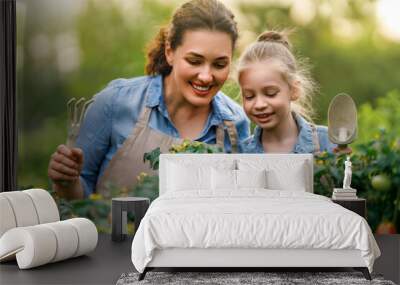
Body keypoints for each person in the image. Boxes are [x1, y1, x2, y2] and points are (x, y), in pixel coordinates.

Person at [48, 0, 250, 200]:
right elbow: (77, 198)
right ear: (170, 52)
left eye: (219, 64)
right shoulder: (115, 102)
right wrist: (68, 181)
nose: (206, 76)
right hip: (113, 233)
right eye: (194, 61)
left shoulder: (235, 122)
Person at [236, 30, 335, 154]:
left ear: (294, 90)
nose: (259, 104)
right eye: (249, 96)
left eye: (270, 93)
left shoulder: (327, 142)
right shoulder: (241, 153)